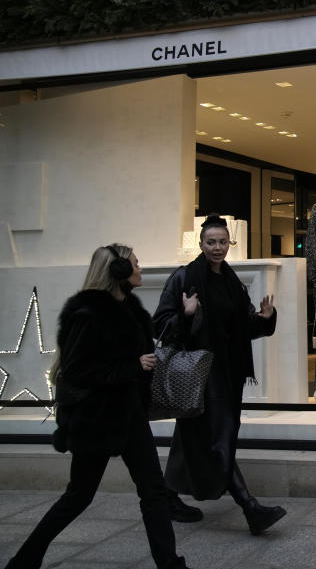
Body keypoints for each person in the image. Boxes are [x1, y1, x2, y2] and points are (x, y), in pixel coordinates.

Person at [5, 245, 190, 569]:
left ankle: (170, 564)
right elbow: (77, 371)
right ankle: (24, 561)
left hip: (130, 416)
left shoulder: (132, 310)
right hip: (97, 420)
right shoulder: (88, 314)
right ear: (117, 271)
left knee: (153, 492)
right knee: (78, 496)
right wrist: (132, 365)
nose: (140, 267)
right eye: (135, 262)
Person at [153, 214, 285, 534]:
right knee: (218, 442)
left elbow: (240, 330)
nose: (217, 248)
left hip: (228, 372)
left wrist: (265, 319)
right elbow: (161, 325)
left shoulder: (231, 281)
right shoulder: (185, 278)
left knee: (194, 437)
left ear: (230, 244)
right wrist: (185, 316)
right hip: (200, 374)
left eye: (222, 242)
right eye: (210, 242)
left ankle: (166, 497)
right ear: (200, 244)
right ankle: (250, 508)